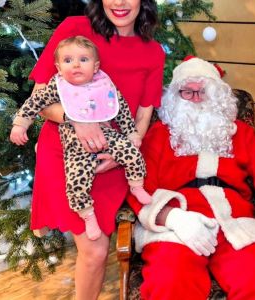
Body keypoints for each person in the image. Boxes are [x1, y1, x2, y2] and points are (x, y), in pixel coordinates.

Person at [126, 56, 255, 300]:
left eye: (202, 92)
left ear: (217, 95)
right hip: (178, 227)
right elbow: (139, 185)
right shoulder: (159, 135)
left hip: (234, 223)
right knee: (168, 282)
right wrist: (172, 216)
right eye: (186, 92)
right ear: (175, 97)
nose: (195, 99)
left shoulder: (240, 133)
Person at [27, 0, 164, 298]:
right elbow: (40, 98)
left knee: (96, 253)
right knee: (96, 250)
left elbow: (143, 115)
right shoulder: (74, 29)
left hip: (114, 154)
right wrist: (76, 120)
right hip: (67, 150)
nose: (119, 2)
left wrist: (121, 153)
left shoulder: (152, 51)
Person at [10, 36, 152, 241]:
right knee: (77, 181)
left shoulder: (103, 85)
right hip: (76, 144)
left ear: (95, 67)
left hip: (108, 136)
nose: (75, 64)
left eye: (83, 60)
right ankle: (87, 215)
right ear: (59, 67)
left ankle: (136, 185)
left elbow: (121, 111)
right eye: (68, 61)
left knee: (132, 153)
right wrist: (20, 124)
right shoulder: (58, 87)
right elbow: (35, 102)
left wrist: (131, 133)